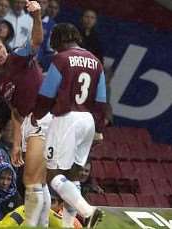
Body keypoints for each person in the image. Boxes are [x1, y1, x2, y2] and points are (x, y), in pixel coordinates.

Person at [31, 23, 107, 228]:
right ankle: (68, 226)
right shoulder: (96, 62)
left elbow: (47, 93)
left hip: (67, 119)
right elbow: (101, 100)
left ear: (59, 38)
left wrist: (36, 115)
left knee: (53, 175)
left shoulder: (61, 59)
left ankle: (88, 211)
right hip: (88, 120)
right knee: (74, 175)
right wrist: (99, 129)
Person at [0, 1, 50, 227]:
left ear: (5, 47)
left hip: (44, 118)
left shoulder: (18, 57)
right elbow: (16, 113)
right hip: (30, 123)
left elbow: (37, 40)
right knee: (39, 180)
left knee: (32, 178)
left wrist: (37, 16)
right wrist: (15, 144)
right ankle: (42, 225)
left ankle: (33, 225)